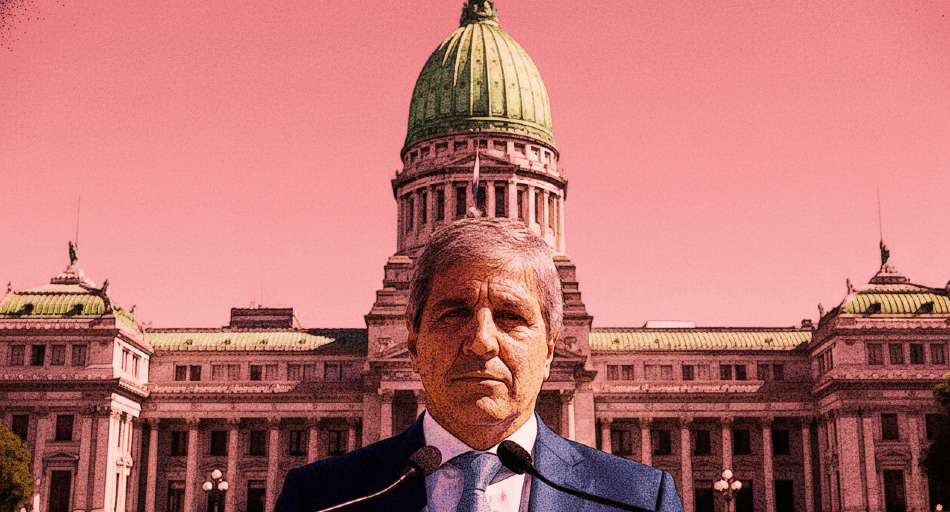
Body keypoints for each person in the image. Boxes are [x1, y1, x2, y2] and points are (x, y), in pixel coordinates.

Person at [275, 218, 684, 512]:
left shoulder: (640, 500)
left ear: (550, 350)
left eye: (511, 315)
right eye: (453, 313)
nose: (482, 341)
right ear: (413, 345)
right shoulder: (319, 498)